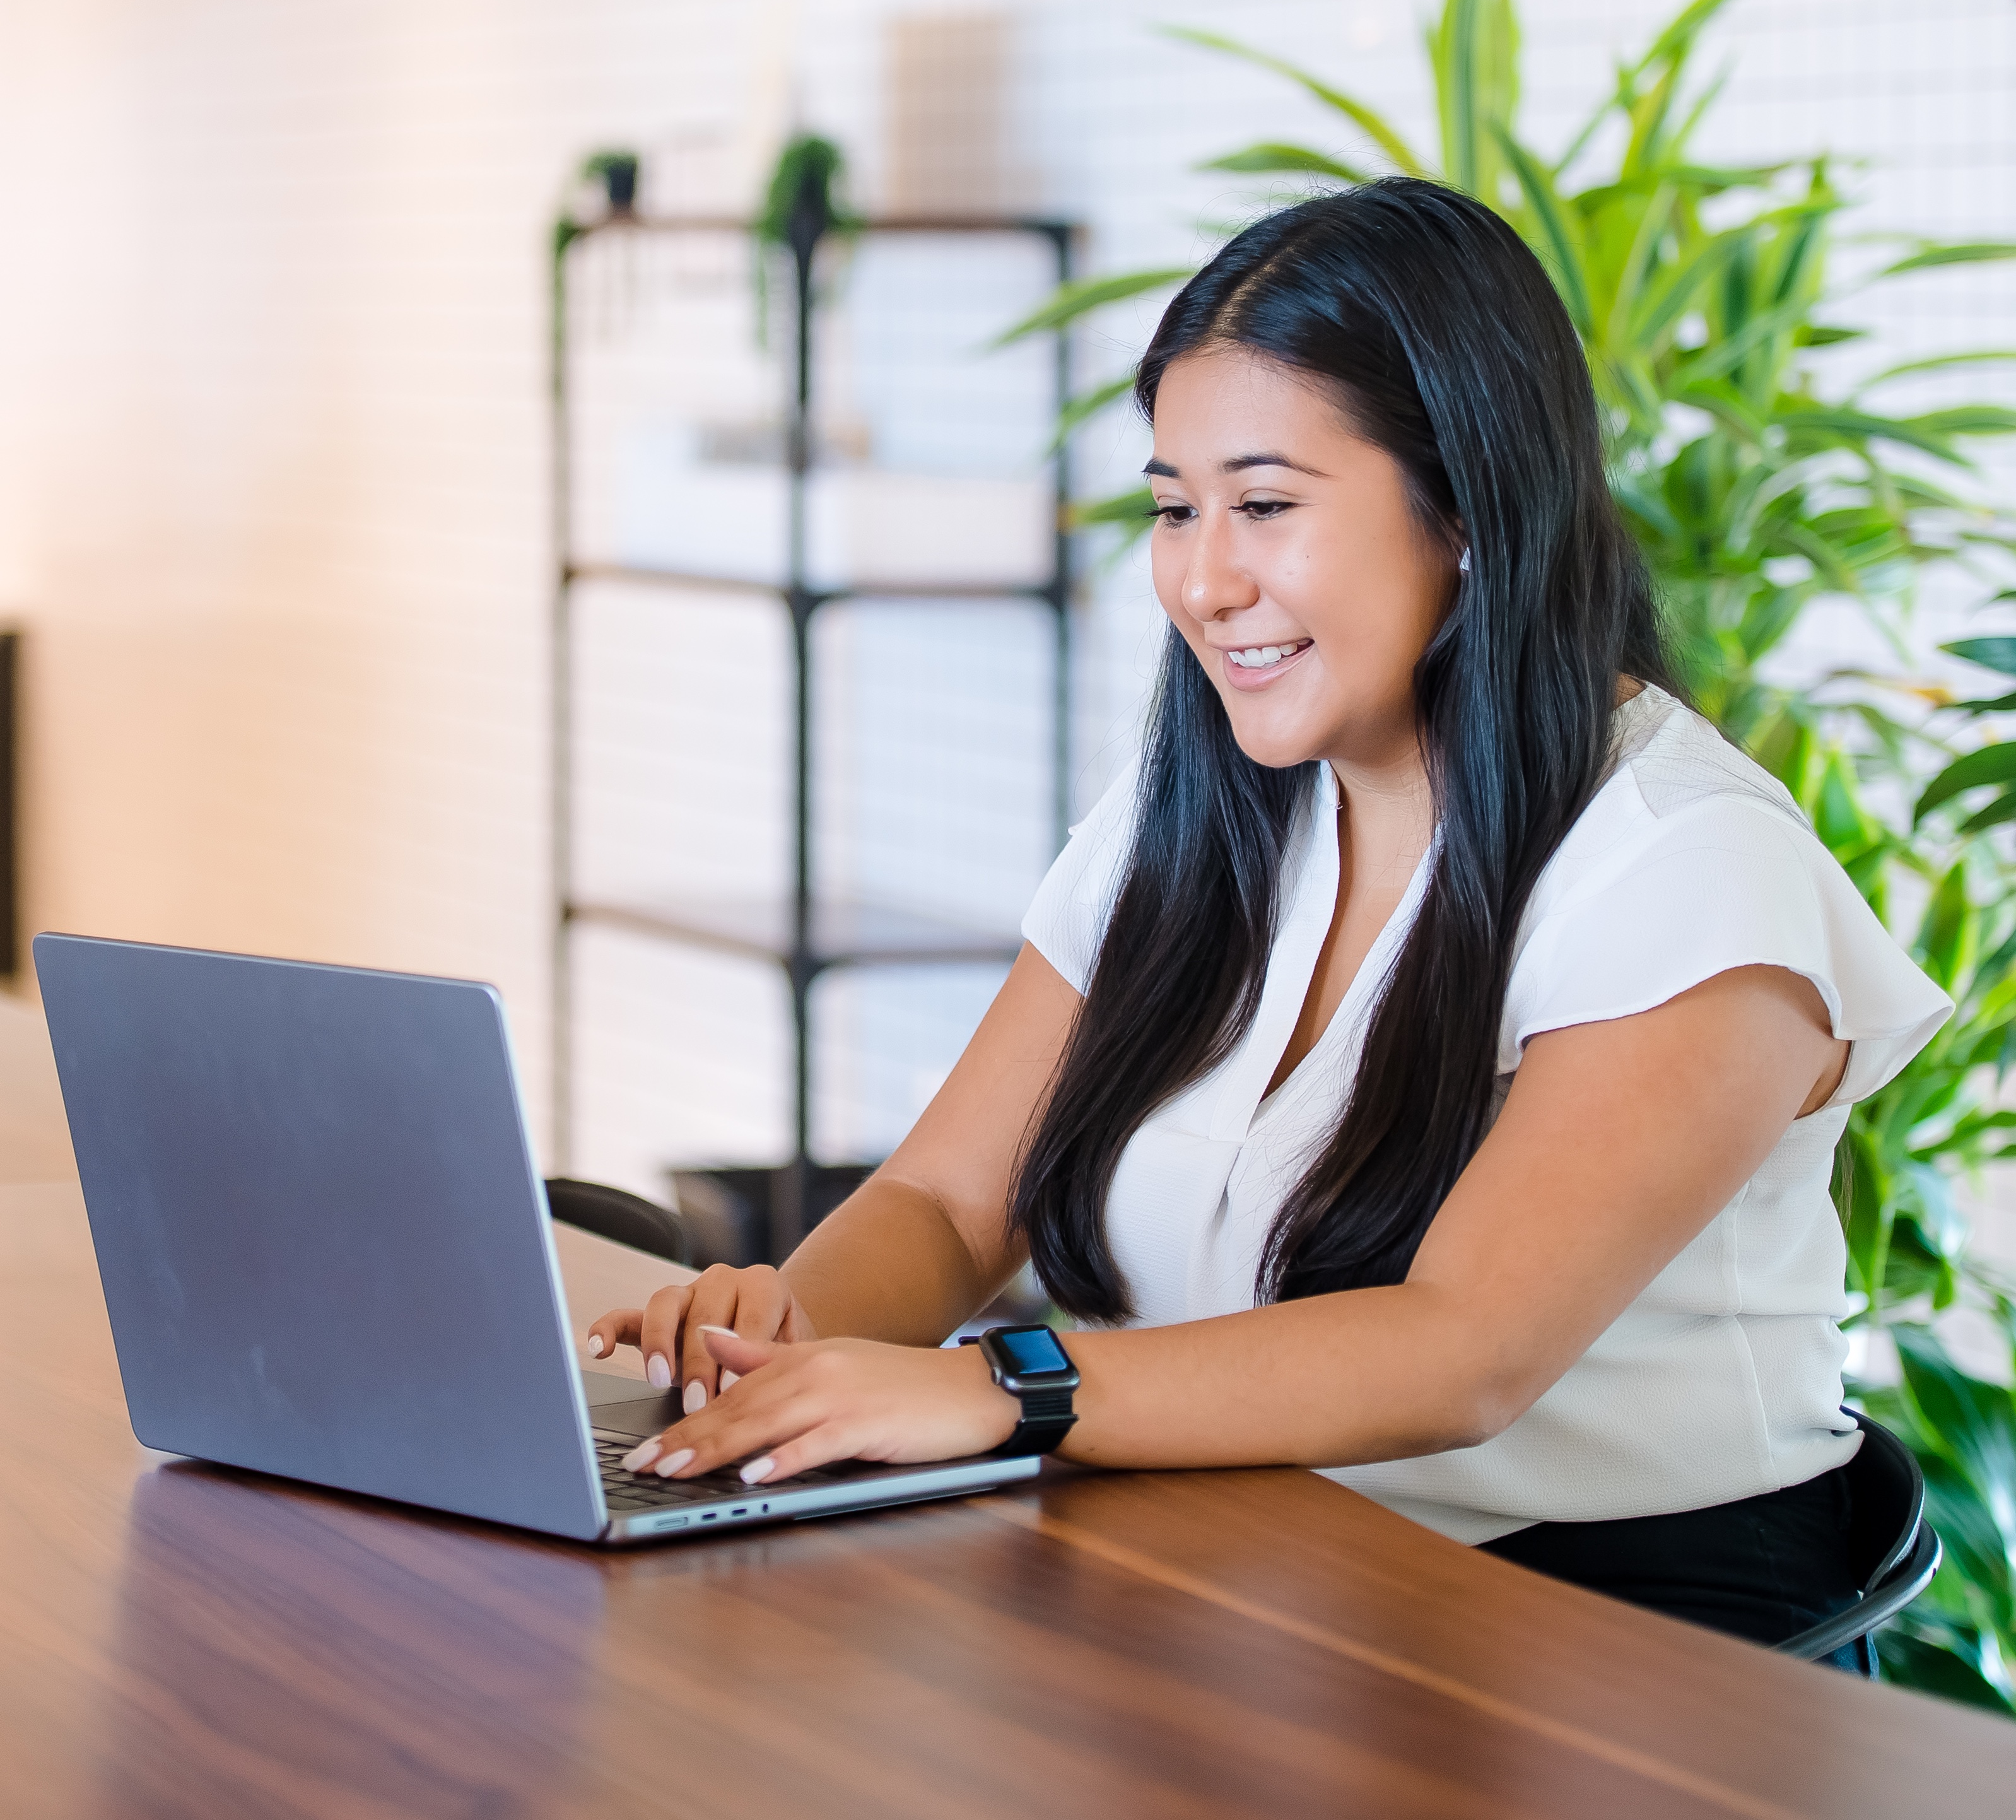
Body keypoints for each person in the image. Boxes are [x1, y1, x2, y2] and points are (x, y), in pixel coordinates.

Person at [585, 180, 1949, 1655]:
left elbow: (1462, 1350)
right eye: (1175, 505)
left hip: (1594, 1646)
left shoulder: (1687, 870)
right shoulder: (1215, 802)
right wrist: (776, 1343)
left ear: (1471, 508)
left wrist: (1000, 1390)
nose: (1201, 576)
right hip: (1233, 1581)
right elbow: (947, 1200)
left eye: (1265, 505)